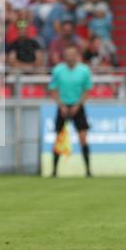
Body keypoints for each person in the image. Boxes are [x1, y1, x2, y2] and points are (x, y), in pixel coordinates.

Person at [49, 44, 93, 178]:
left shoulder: (84, 70)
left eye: (73, 54)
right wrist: (60, 104)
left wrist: (78, 104)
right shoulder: (58, 70)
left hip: (77, 107)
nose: (70, 57)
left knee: (83, 138)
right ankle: (54, 171)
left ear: (77, 56)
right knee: (58, 138)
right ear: (65, 56)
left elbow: (87, 90)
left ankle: (88, 171)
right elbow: (53, 89)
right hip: (63, 106)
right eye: (68, 55)